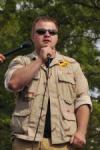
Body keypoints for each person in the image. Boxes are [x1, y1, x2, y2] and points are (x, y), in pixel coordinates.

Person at [4, 16, 92, 150]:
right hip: (26, 142)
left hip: (63, 143)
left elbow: (83, 100)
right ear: (33, 36)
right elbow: (13, 84)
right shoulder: (21, 61)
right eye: (41, 31)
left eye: (52, 32)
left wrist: (81, 132)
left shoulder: (72, 65)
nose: (47, 35)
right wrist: (40, 59)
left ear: (57, 37)